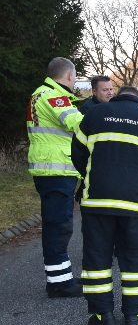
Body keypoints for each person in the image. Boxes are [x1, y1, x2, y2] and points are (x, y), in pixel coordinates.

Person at [71, 85, 138, 325]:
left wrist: (94, 177)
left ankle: (101, 316)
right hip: (137, 204)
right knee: (135, 259)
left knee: (97, 258)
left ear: (116, 97)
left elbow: (77, 154)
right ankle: (132, 316)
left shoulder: (94, 115)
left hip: (97, 202)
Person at [27, 57, 85, 298]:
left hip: (51, 169)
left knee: (56, 225)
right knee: (58, 227)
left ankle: (61, 276)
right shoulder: (53, 96)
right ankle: (59, 283)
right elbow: (78, 123)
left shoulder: (40, 93)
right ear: (69, 76)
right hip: (55, 170)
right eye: (74, 78)